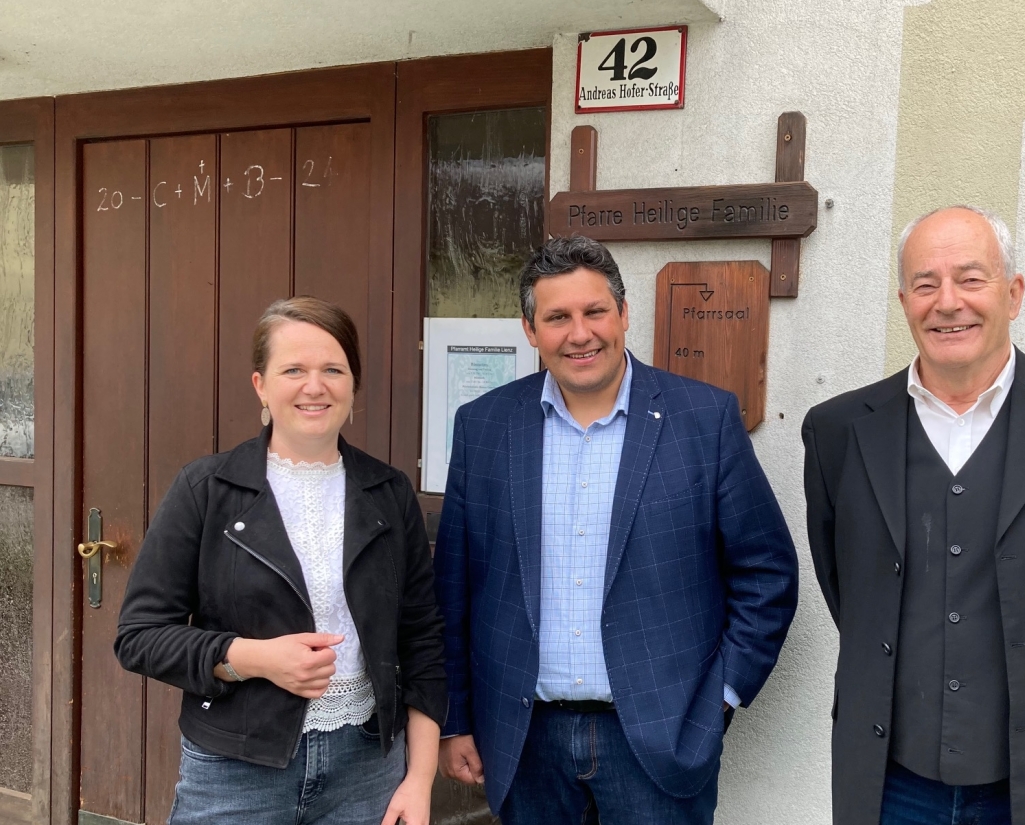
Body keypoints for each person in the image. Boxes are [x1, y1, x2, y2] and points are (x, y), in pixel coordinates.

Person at [802, 205, 1025, 825]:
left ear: (1014, 293)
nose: (947, 302)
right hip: (892, 783)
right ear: (904, 300)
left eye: (971, 279)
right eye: (925, 283)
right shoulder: (838, 431)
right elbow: (848, 592)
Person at [433, 236, 798, 824]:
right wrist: (456, 719)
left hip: (658, 735)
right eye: (557, 317)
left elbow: (767, 573)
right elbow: (451, 589)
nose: (580, 333)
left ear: (624, 315)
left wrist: (720, 699)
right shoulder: (484, 426)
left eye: (595, 311)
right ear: (531, 330)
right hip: (523, 738)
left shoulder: (703, 419)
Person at [115, 296, 446, 825]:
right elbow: (139, 636)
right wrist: (254, 658)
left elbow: (423, 638)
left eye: (332, 369)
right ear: (261, 385)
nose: (314, 386)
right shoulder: (207, 489)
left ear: (353, 385)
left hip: (366, 771)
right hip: (234, 772)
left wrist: (420, 778)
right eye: (293, 369)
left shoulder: (389, 492)